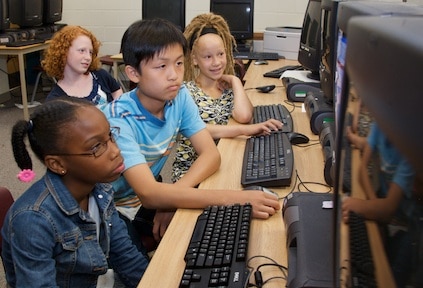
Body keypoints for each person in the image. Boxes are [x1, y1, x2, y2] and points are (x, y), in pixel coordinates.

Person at [102, 18, 280, 252]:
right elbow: (150, 194)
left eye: (178, 63)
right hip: (105, 205)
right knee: (143, 270)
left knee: (202, 234)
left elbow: (211, 155)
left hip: (141, 198)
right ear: (133, 73)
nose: (174, 75)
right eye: (161, 66)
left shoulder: (180, 96)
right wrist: (238, 200)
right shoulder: (118, 119)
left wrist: (172, 198)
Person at [2, 97, 148, 288]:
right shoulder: (33, 220)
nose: (115, 151)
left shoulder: (100, 191)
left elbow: (126, 258)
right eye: (96, 147)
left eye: (110, 136)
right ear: (57, 164)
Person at [171, 13, 283, 182]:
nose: (217, 62)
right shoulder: (185, 92)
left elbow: (244, 116)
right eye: (208, 57)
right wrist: (246, 130)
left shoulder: (226, 89)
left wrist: (235, 80)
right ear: (194, 59)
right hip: (192, 174)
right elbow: (199, 129)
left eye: (221, 54)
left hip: (223, 164)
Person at [342, 122, 415, 286]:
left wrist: (365, 206)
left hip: (411, 224)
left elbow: (388, 209)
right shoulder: (380, 125)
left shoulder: (412, 147)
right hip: (388, 205)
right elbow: (362, 171)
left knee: (391, 275)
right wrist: (373, 204)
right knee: (376, 248)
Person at [42, 25, 123, 109]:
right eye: (82, 51)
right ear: (64, 52)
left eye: (90, 52)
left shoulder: (100, 75)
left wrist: (117, 110)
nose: (88, 57)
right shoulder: (55, 100)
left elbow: (116, 91)